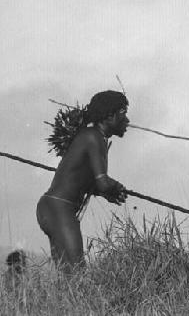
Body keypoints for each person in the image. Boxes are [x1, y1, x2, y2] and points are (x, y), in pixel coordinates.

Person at [37, 90, 129, 273]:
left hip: (55, 208)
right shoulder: (93, 137)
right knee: (77, 276)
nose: (127, 120)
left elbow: (91, 184)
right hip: (58, 208)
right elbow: (102, 182)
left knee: (69, 278)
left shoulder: (96, 137)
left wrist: (107, 192)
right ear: (109, 116)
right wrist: (114, 187)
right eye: (123, 113)